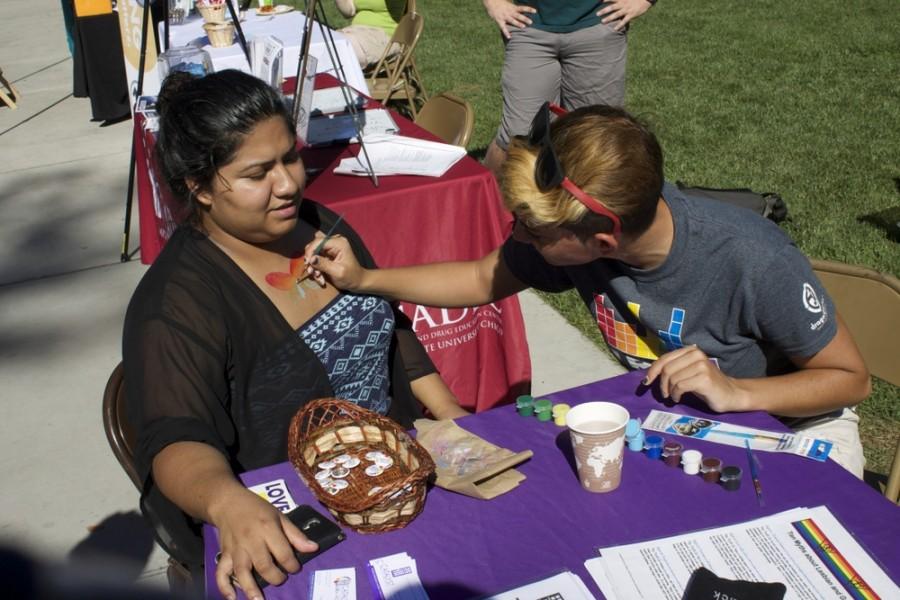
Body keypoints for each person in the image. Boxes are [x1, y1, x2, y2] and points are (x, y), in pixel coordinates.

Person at [304, 103, 872, 478]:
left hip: (796, 428)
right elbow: (482, 277)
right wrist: (365, 280)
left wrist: (739, 393)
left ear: (602, 241)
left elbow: (850, 380)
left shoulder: (752, 256)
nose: (517, 235)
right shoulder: (588, 237)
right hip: (684, 424)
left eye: (534, 230)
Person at [123, 69, 466, 600]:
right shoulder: (176, 303)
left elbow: (387, 327)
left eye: (289, 158)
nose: (287, 184)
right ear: (199, 187)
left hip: (397, 475)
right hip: (302, 517)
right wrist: (227, 503)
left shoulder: (316, 224)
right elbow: (174, 437)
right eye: (257, 172)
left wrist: (455, 418)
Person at [481, 0, 655, 178]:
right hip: (529, 28)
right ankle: (481, 200)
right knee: (517, 136)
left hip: (598, 27)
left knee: (596, 134)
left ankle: (585, 203)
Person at [335, 0, 407, 68]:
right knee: (332, 42)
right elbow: (350, 10)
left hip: (384, 37)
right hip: (356, 31)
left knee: (344, 47)